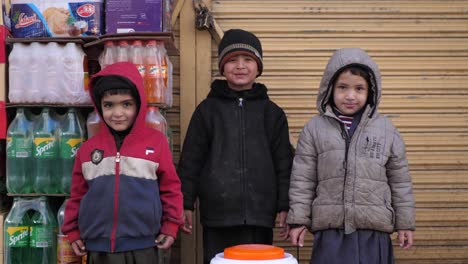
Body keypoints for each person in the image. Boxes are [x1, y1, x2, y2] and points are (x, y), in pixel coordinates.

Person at [287, 48, 415, 264]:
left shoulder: (386, 130)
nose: (350, 96)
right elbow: (303, 179)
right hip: (331, 233)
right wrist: (298, 220)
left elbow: (400, 181)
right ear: (330, 88)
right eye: (342, 87)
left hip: (373, 231)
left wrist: (405, 224)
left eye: (359, 88)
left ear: (371, 91)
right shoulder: (314, 128)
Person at [177, 29, 294, 264]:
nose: (240, 66)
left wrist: (286, 205)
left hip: (259, 215)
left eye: (248, 59)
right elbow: (191, 160)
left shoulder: (272, 114)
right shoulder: (207, 111)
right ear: (222, 67)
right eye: (232, 60)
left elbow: (284, 163)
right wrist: (185, 203)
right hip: (217, 215)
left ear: (258, 67)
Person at [62, 61, 183, 264]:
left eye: (126, 104)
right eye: (109, 105)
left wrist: (171, 226)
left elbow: (170, 188)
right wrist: (72, 231)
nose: (117, 113)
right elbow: (77, 194)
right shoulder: (88, 149)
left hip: (143, 247)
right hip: (98, 249)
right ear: (99, 107)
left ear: (139, 104)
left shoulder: (156, 143)